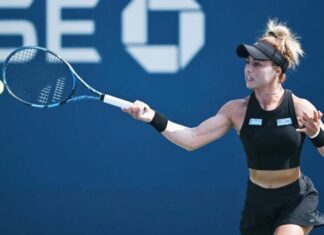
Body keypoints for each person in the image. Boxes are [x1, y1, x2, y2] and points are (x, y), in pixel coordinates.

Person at [123, 19, 324, 235]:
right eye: (247, 63)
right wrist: (152, 116)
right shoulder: (236, 110)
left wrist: (317, 134)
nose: (249, 69)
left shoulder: (299, 107)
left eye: (258, 64)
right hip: (258, 202)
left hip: (295, 199)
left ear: (276, 70)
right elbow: (192, 138)